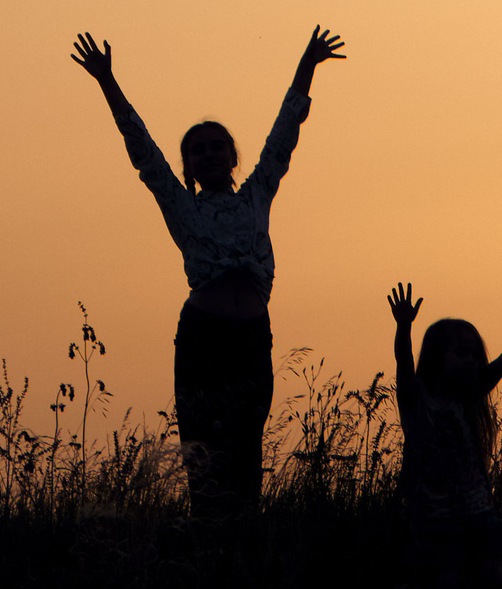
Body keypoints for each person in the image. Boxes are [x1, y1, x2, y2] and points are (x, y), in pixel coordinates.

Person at [71, 25, 345, 517]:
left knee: (245, 452)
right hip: (204, 339)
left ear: (233, 156)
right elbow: (142, 150)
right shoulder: (182, 207)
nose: (210, 154)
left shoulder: (256, 195)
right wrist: (106, 81)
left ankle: (241, 545)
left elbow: (284, 135)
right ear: (188, 166)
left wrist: (308, 64)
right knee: (204, 455)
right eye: (198, 150)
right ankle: (207, 542)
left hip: (251, 338)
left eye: (218, 146)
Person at [386, 282, 502, 589]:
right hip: (434, 516)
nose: (472, 361)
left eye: (475, 355)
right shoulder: (417, 401)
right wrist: (404, 326)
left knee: (492, 579)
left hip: (477, 511)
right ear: (437, 357)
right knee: (447, 584)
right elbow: (404, 362)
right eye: (462, 353)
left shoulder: (467, 398)